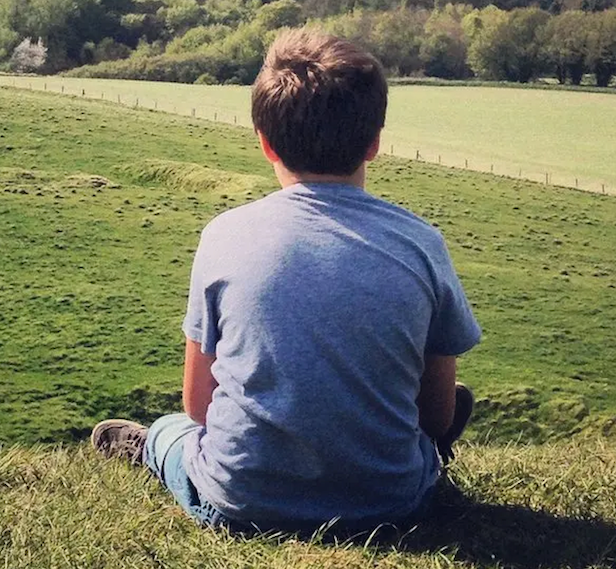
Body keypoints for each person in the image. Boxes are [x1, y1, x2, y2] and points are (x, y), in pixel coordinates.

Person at [91, 28, 481, 533]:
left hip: (240, 502)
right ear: (375, 143)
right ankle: (412, 451)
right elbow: (436, 414)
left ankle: (150, 450)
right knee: (427, 428)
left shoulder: (224, 234)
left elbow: (198, 404)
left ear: (265, 143)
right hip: (391, 505)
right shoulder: (421, 243)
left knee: (171, 427)